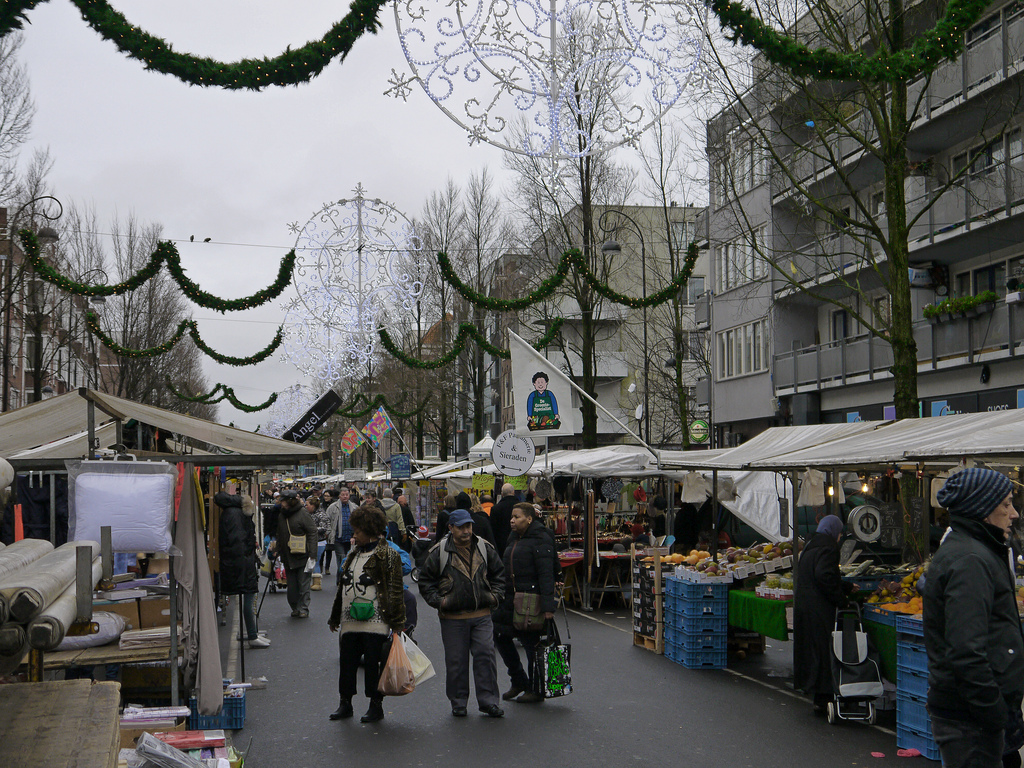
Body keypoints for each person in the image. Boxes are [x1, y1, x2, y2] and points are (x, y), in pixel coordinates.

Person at [925, 468, 1024, 768]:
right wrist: (994, 712)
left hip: (971, 715)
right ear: (982, 509)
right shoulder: (971, 560)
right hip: (970, 719)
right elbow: (966, 651)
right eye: (1006, 504)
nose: (1015, 514)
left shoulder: (977, 552)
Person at [419, 508, 506, 718]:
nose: (466, 531)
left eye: (468, 526)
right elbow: (425, 581)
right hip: (453, 618)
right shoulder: (439, 551)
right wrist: (441, 602)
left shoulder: (484, 548)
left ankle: (489, 702)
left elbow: (499, 575)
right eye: (461, 527)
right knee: (456, 661)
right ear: (451, 528)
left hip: (482, 613)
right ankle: (458, 702)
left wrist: (495, 597)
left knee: (486, 656)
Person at [328, 505, 406, 723]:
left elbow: (395, 589)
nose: (354, 536)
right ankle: (346, 703)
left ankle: (375, 705)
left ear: (369, 530)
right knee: (347, 664)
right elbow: (342, 587)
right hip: (349, 621)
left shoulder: (387, 555)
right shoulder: (353, 554)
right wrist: (335, 618)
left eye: (357, 531)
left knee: (373, 666)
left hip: (376, 622)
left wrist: (398, 622)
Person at [494, 502, 559, 704]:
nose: (512, 520)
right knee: (500, 636)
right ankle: (519, 680)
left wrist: (548, 607)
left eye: (517, 517)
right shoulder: (513, 537)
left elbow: (546, 574)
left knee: (532, 644)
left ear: (529, 519)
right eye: (511, 517)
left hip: (531, 600)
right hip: (509, 598)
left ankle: (535, 688)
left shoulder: (541, 539)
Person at [793, 514, 853, 712]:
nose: (839, 537)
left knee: (810, 649)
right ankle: (824, 697)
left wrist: (845, 586)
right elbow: (824, 575)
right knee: (823, 650)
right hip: (819, 608)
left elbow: (814, 574)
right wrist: (841, 599)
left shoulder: (810, 546)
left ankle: (813, 691)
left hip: (804, 606)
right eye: (839, 532)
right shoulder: (828, 547)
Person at [216, 490, 270, 649]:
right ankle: (252, 635)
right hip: (241, 564)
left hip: (238, 562)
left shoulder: (231, 512)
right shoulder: (237, 514)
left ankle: (253, 633)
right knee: (248, 595)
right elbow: (238, 541)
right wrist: (248, 556)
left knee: (248, 595)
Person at [275, 489, 318, 618]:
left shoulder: (302, 513)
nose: (281, 503)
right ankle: (294, 607)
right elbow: (279, 533)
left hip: (302, 554)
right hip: (288, 555)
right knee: (292, 586)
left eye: (283, 501)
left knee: (303, 583)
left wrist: (312, 554)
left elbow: (312, 532)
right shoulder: (282, 515)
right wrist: (277, 549)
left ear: (290, 501)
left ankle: (303, 608)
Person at [490, 484, 517, 556]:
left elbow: (493, 529)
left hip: (501, 545)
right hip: (518, 541)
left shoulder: (495, 509)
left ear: (502, 494)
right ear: (513, 492)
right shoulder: (521, 507)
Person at [319, 489, 338, 575]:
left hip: (331, 529)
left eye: (327, 496)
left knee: (329, 550)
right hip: (322, 529)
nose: (326, 497)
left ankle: (327, 567)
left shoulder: (334, 506)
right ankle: (320, 566)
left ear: (331, 497)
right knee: (322, 550)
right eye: (325, 496)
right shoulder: (321, 505)